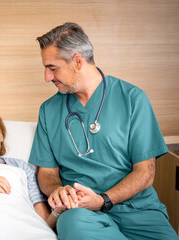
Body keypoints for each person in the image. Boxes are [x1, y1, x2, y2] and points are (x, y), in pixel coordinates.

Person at [29, 22, 178, 240]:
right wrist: (56, 190)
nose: (47, 77)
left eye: (52, 68)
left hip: (137, 209)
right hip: (82, 215)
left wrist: (103, 200)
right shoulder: (49, 111)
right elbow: (46, 173)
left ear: (78, 61)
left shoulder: (132, 99)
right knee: (73, 224)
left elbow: (145, 172)